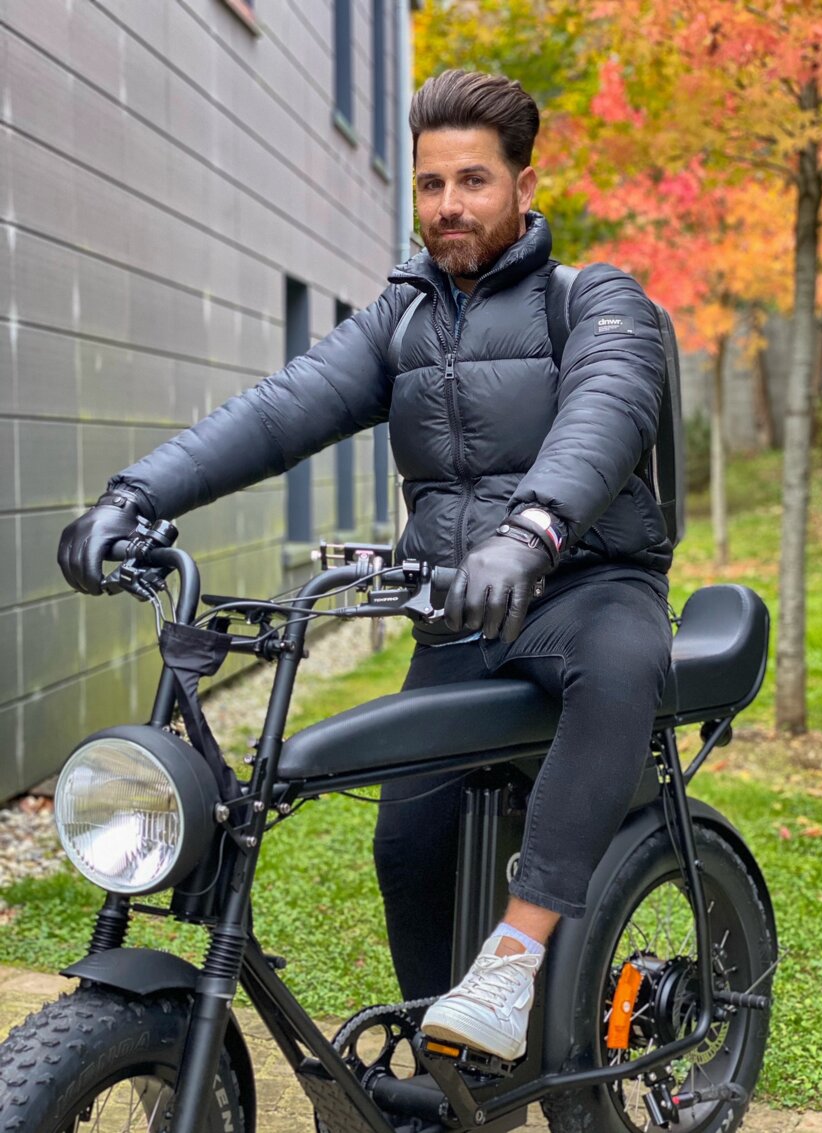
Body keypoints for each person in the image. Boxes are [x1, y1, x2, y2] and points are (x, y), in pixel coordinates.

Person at [58, 70, 672, 1063]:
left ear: (524, 183)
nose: (448, 206)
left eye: (473, 180)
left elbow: (606, 413)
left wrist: (533, 528)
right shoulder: (401, 317)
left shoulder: (593, 301)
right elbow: (276, 411)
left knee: (618, 667)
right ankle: (451, 1054)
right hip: (461, 616)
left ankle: (513, 960)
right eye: (430, 185)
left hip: (584, 586)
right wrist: (136, 495)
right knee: (406, 844)